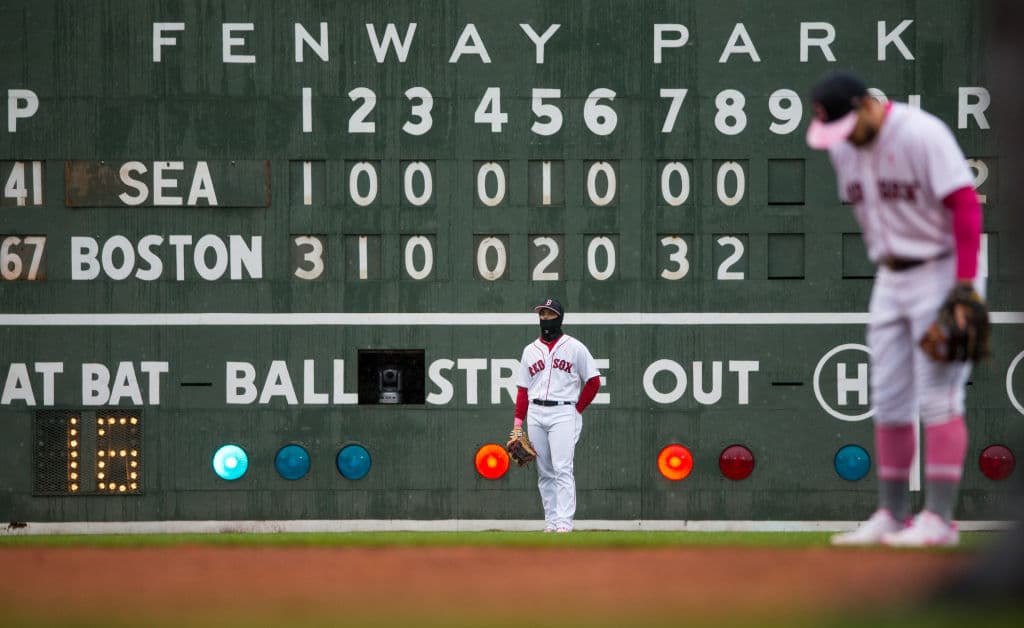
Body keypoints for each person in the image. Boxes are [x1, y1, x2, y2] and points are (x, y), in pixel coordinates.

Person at [806, 70, 985, 547]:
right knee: (887, 396)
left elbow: (965, 206)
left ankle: (940, 522)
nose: (841, 138)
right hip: (891, 274)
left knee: (939, 396)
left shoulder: (922, 133)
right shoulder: (844, 148)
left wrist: (965, 286)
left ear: (866, 105)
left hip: (943, 270)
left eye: (845, 124)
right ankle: (892, 514)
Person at [510, 298, 601, 533]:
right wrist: (517, 426)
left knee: (562, 468)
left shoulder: (575, 347)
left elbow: (593, 381)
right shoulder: (530, 350)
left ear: (559, 317)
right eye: (542, 314)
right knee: (544, 471)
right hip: (536, 412)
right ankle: (551, 521)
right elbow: (522, 389)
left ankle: (564, 522)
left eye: (550, 314)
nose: (545, 318)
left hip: (563, 411)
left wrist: (577, 409)